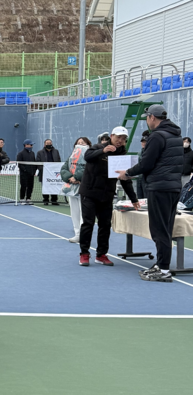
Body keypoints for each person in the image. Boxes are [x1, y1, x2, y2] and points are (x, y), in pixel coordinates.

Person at [118, 104, 184, 283]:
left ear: (152, 117)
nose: (147, 121)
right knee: (166, 228)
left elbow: (146, 163)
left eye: (147, 117)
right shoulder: (176, 136)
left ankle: (163, 269)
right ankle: (162, 264)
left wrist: (127, 173)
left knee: (159, 229)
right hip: (173, 187)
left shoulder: (157, 136)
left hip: (159, 187)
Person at [78, 126, 139, 267]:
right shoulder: (97, 147)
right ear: (112, 136)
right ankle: (84, 253)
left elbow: (125, 179)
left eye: (123, 138)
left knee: (105, 225)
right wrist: (103, 151)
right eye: (118, 137)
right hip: (89, 193)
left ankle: (101, 254)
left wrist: (134, 199)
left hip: (107, 194)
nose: (120, 140)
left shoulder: (123, 155)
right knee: (88, 223)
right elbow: (87, 157)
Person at [59, 137, 91, 243]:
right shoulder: (71, 157)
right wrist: (70, 177)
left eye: (83, 143)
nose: (80, 144)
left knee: (84, 212)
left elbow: (89, 169)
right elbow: (64, 169)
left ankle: (83, 234)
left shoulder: (90, 156)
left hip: (85, 187)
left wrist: (77, 177)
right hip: (71, 188)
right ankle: (77, 233)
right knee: (74, 212)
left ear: (88, 145)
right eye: (78, 143)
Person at [37, 139, 61, 205]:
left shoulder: (56, 151)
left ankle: (54, 200)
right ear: (44, 144)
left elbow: (59, 160)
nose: (49, 145)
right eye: (47, 143)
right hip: (44, 173)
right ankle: (46, 200)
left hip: (54, 173)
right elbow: (38, 162)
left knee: (54, 185)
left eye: (50, 143)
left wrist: (57, 169)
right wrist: (42, 169)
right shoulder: (40, 152)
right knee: (45, 186)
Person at [16, 139, 37, 204]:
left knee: (30, 186)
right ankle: (22, 199)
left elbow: (34, 162)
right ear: (26, 145)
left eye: (32, 145)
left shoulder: (32, 153)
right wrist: (25, 170)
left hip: (31, 174)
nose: (32, 146)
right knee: (23, 186)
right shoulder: (21, 153)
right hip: (24, 174)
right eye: (31, 144)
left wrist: (34, 171)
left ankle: (28, 198)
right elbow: (19, 164)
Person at [134, 132, 149, 199]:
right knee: (140, 197)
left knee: (146, 197)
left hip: (146, 178)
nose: (143, 143)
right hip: (139, 178)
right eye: (142, 142)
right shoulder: (139, 153)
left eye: (145, 142)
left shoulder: (150, 152)